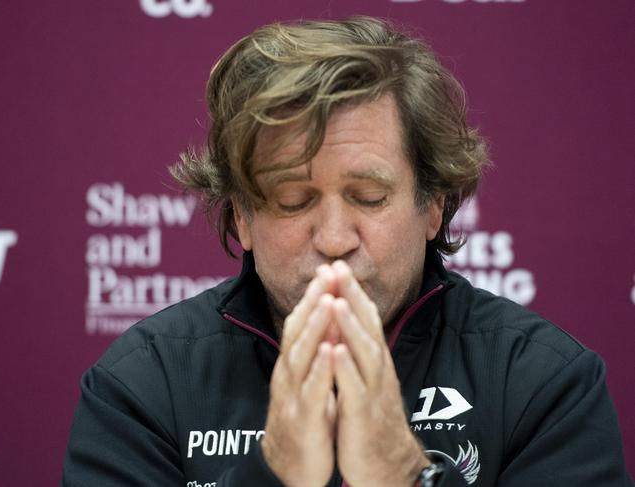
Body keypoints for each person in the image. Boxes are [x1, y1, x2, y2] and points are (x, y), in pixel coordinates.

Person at [62, 16, 632, 486]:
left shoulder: (544, 386)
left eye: (369, 197)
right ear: (243, 215)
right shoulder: (141, 387)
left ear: (433, 205)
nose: (334, 238)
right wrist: (274, 472)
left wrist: (400, 472)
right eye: (291, 200)